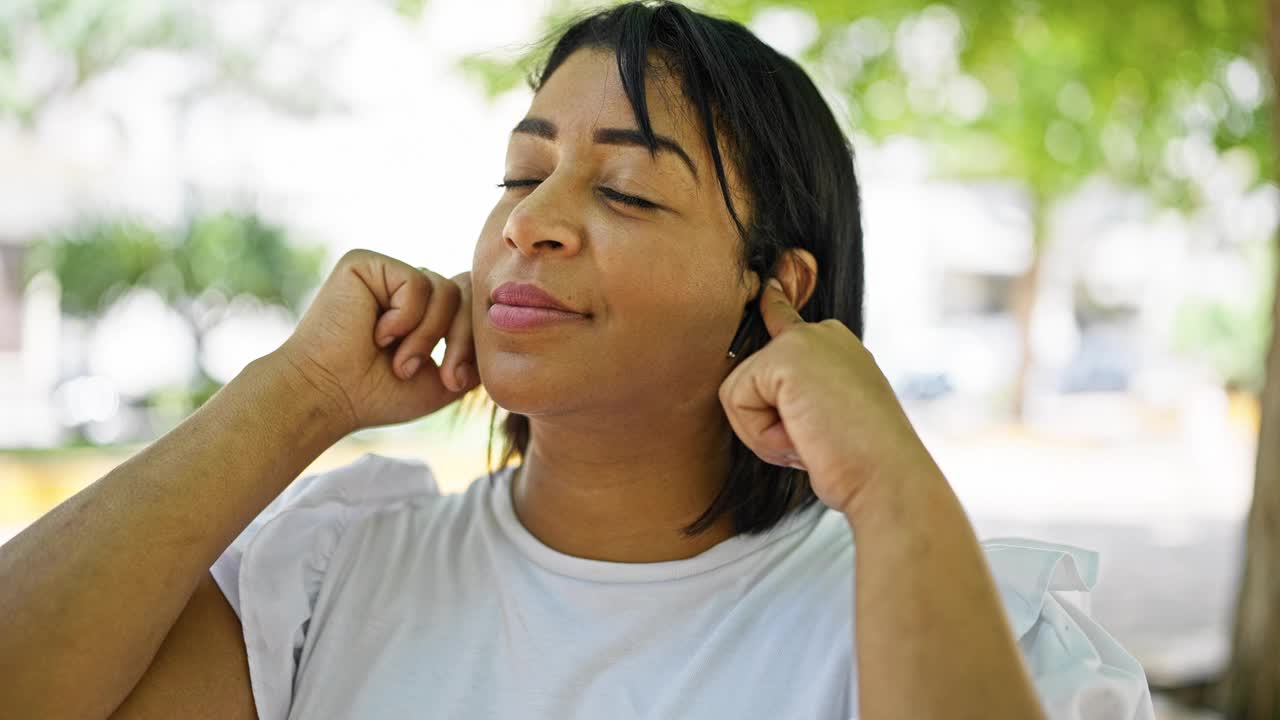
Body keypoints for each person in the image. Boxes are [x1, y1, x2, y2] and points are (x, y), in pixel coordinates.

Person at [0, 2, 1155, 718]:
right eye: (520, 173)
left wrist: (892, 487)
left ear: (776, 293)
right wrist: (295, 398)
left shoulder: (964, 618)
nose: (531, 222)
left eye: (623, 188)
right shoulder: (327, 581)